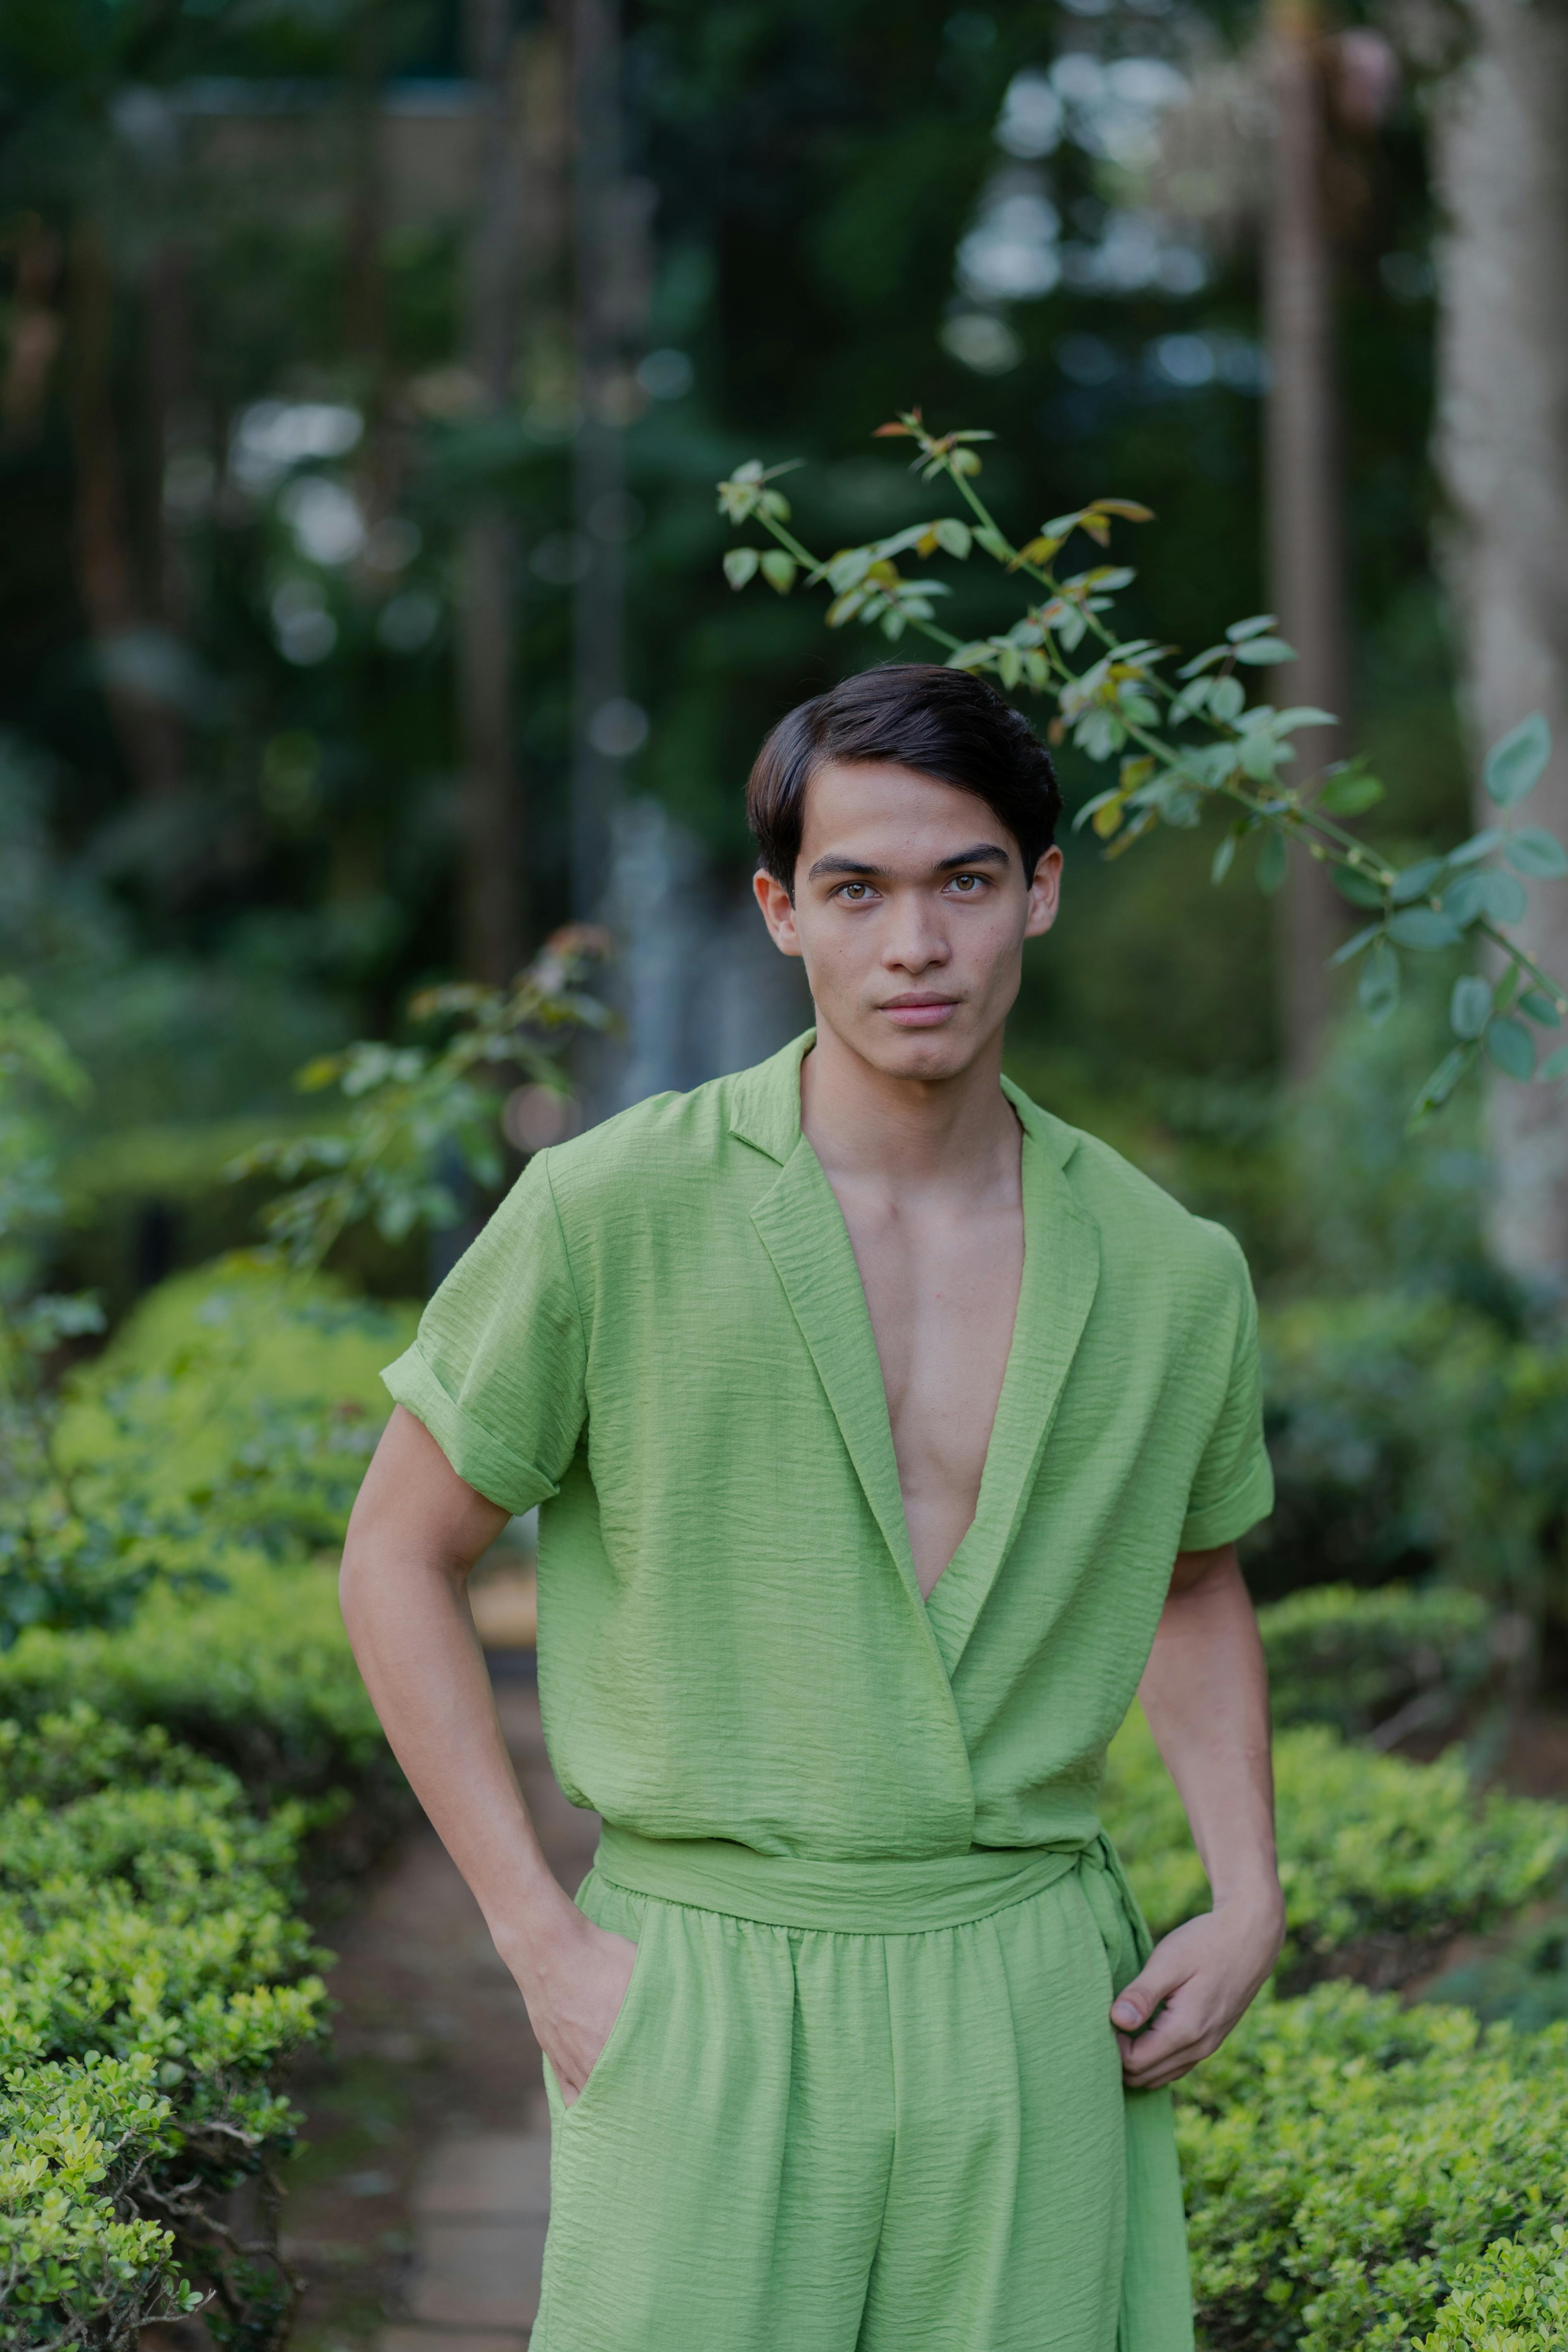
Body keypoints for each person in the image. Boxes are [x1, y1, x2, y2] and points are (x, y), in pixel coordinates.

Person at [340, 663, 1284, 2352]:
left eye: (963, 880)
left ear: (1041, 890)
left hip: (1025, 1989)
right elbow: (399, 1553)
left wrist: (1247, 1884)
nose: (912, 944)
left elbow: (1193, 1577)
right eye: (855, 888)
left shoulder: (1169, 1271)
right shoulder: (606, 1211)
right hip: (702, 1977)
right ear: (781, 911)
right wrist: (537, 1937)